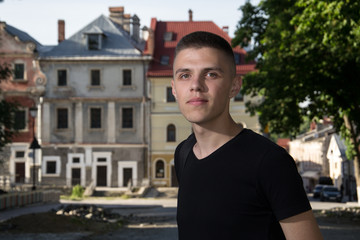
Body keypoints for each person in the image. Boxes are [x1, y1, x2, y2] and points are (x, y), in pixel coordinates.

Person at [172, 31, 323, 240]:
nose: (195, 85)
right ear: (174, 89)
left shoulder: (270, 162)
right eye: (185, 75)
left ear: (234, 86)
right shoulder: (183, 153)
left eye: (211, 74)